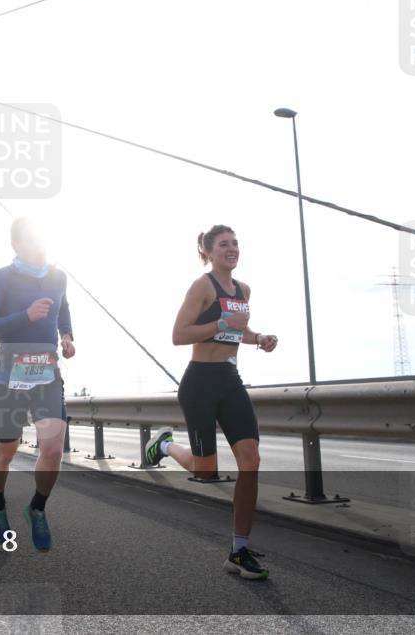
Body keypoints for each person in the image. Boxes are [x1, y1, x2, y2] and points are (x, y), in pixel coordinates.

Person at [143, 225, 278, 580]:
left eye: (235, 243)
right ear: (208, 252)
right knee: (205, 471)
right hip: (200, 382)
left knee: (251, 460)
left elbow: (238, 330)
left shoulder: (244, 289)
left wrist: (258, 337)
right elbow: (178, 335)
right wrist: (221, 321)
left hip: (230, 381)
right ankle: (166, 444)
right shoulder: (202, 286)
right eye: (223, 244)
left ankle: (239, 550)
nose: (232, 248)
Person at [0, 216, 75, 552]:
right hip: (11, 370)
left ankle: (37, 508)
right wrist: (24, 315)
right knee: (6, 450)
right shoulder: (2, 279)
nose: (39, 246)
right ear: (16, 245)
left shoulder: (58, 276)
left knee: (52, 449)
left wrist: (67, 336)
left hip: (47, 370)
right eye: (31, 241)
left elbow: (63, 310)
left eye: (42, 239)